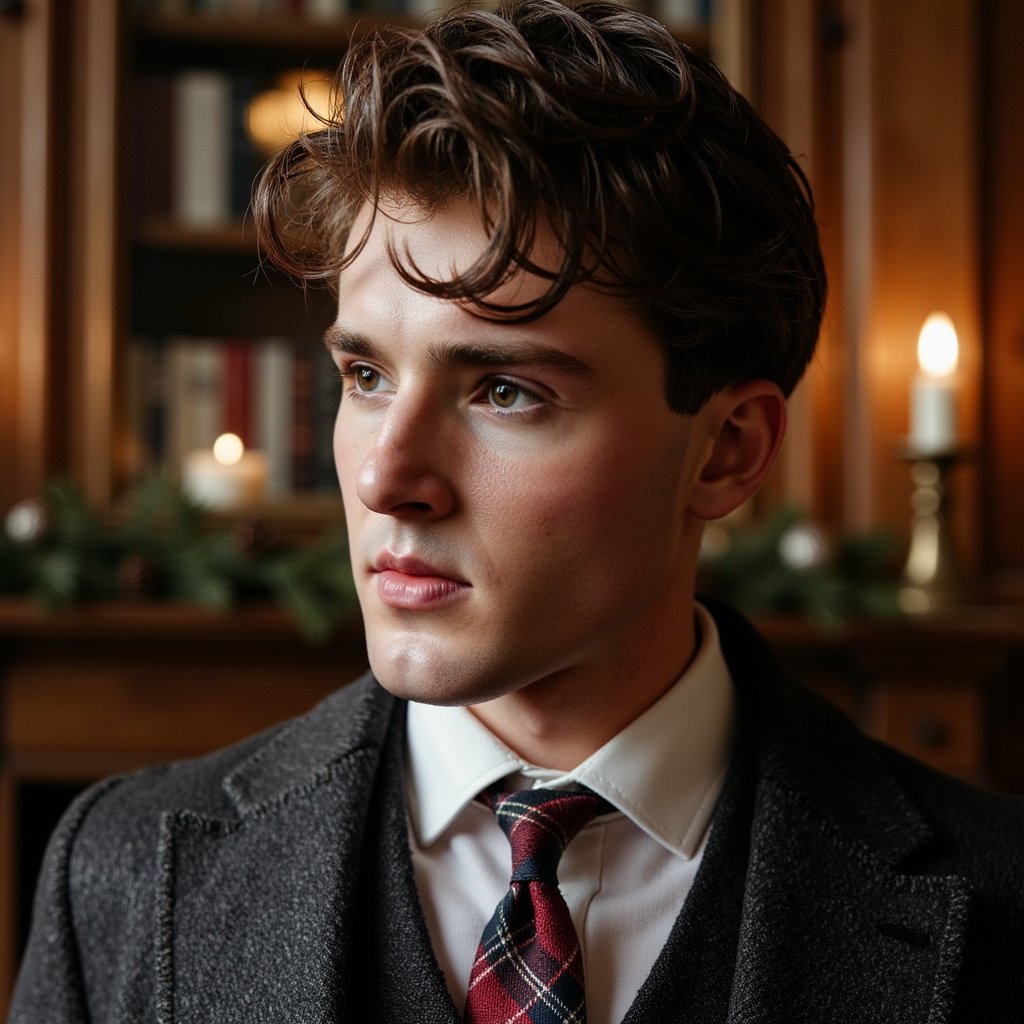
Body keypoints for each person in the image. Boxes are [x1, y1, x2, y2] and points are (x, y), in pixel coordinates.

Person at [10, 1, 1024, 1021]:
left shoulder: (1002, 907)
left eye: (504, 391)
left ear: (726, 451)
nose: (383, 476)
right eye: (364, 374)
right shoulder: (126, 876)